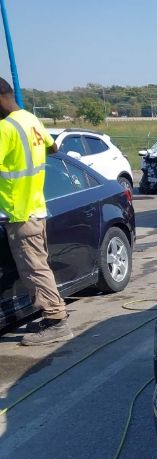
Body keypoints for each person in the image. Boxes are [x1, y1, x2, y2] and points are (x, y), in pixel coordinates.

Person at [0, 77, 72, 345]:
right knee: (39, 267)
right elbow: (54, 148)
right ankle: (54, 315)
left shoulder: (5, 129)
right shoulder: (31, 120)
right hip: (35, 208)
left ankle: (56, 321)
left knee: (34, 270)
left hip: (19, 214)